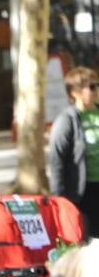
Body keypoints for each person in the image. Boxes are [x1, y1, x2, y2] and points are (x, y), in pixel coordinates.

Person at [47, 65, 99, 236]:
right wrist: (59, 199)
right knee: (88, 242)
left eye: (97, 85)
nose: (96, 90)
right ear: (74, 92)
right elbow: (57, 161)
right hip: (82, 193)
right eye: (90, 87)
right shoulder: (66, 121)